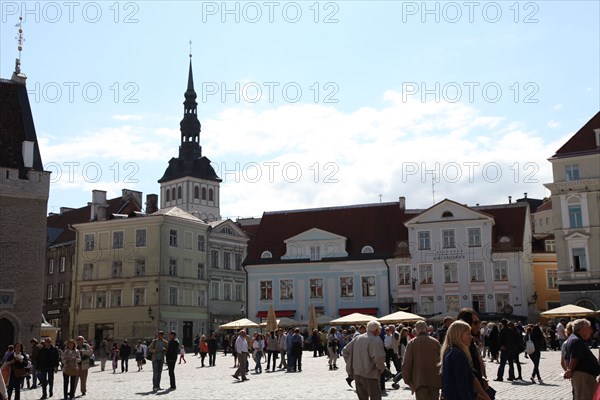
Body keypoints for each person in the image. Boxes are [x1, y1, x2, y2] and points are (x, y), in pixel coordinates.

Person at [343, 320, 386, 400]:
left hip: (357, 374)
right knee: (375, 397)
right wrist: (382, 369)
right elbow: (378, 358)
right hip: (370, 375)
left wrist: (351, 364)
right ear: (376, 330)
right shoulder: (374, 340)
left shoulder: (358, 338)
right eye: (379, 329)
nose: (380, 331)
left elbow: (345, 351)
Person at [457, 308, 493, 398]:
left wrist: (482, 377)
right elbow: (467, 376)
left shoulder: (470, 343)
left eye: (479, 322)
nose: (479, 325)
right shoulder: (459, 348)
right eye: (475, 323)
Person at [400, 320, 441, 399]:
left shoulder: (412, 343)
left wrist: (408, 380)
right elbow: (441, 361)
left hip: (419, 381)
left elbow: (406, 363)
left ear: (416, 330)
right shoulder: (435, 342)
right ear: (426, 329)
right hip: (434, 381)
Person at [440, 321, 479, 400]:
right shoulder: (458, 355)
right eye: (468, 334)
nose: (471, 337)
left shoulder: (449, 351)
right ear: (458, 335)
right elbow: (462, 386)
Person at [563, 318, 600, 400]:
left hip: (584, 376)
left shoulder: (574, 339)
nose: (591, 331)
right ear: (581, 329)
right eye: (588, 328)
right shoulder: (576, 340)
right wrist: (570, 371)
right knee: (584, 397)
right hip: (583, 376)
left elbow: (566, 358)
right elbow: (574, 357)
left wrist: (569, 370)